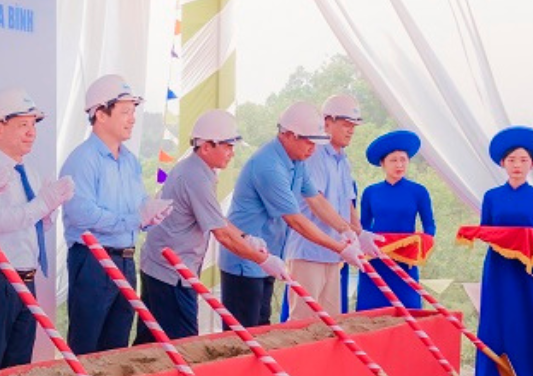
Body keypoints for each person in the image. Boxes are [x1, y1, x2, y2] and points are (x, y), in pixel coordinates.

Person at [136, 109, 274, 340]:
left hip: (164, 266)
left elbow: (216, 218)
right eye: (227, 146)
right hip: (171, 272)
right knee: (183, 342)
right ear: (206, 146)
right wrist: (263, 260)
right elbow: (222, 234)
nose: (231, 153)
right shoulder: (196, 177)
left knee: (152, 340)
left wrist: (246, 238)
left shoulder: (198, 170)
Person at [0, 87, 73, 372]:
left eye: (33, 124)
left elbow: (31, 228)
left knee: (18, 371)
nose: (31, 132)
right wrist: (41, 204)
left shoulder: (31, 173)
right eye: (23, 124)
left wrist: (49, 210)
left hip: (26, 279)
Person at [218, 102, 352, 328]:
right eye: (309, 142)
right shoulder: (268, 165)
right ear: (289, 135)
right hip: (244, 259)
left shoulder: (298, 161)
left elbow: (316, 199)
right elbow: (296, 220)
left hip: (268, 256)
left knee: (262, 327)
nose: (313, 149)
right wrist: (340, 248)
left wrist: (345, 229)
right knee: (243, 334)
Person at [58, 74, 163, 354]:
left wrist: (151, 213)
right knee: (87, 346)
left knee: (117, 348)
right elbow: (81, 213)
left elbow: (139, 203)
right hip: (93, 261)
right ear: (100, 114)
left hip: (126, 259)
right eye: (125, 112)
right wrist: (132, 220)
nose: (132, 119)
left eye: (133, 112)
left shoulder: (129, 160)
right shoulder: (82, 159)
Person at [470, 127, 533, 376]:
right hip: (498, 267)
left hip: (527, 270)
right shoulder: (492, 196)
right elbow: (485, 229)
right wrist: (505, 238)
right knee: (496, 320)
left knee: (529, 319)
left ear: (532, 164)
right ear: (503, 163)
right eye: (512, 160)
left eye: (523, 160)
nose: (517, 165)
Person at [281, 93, 364, 312]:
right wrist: (346, 230)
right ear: (327, 122)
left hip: (334, 253)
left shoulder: (343, 159)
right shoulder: (314, 154)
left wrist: (360, 233)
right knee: (304, 322)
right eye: (346, 124)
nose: (351, 130)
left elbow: (348, 202)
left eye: (353, 125)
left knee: (331, 323)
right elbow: (316, 202)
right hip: (309, 251)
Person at [355, 130, 435, 312]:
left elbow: (429, 226)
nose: (399, 165)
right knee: (372, 311)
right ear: (382, 163)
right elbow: (363, 226)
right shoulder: (371, 192)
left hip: (405, 259)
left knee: (408, 307)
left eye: (403, 160)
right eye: (393, 160)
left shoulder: (418, 191)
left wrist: (422, 245)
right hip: (375, 257)